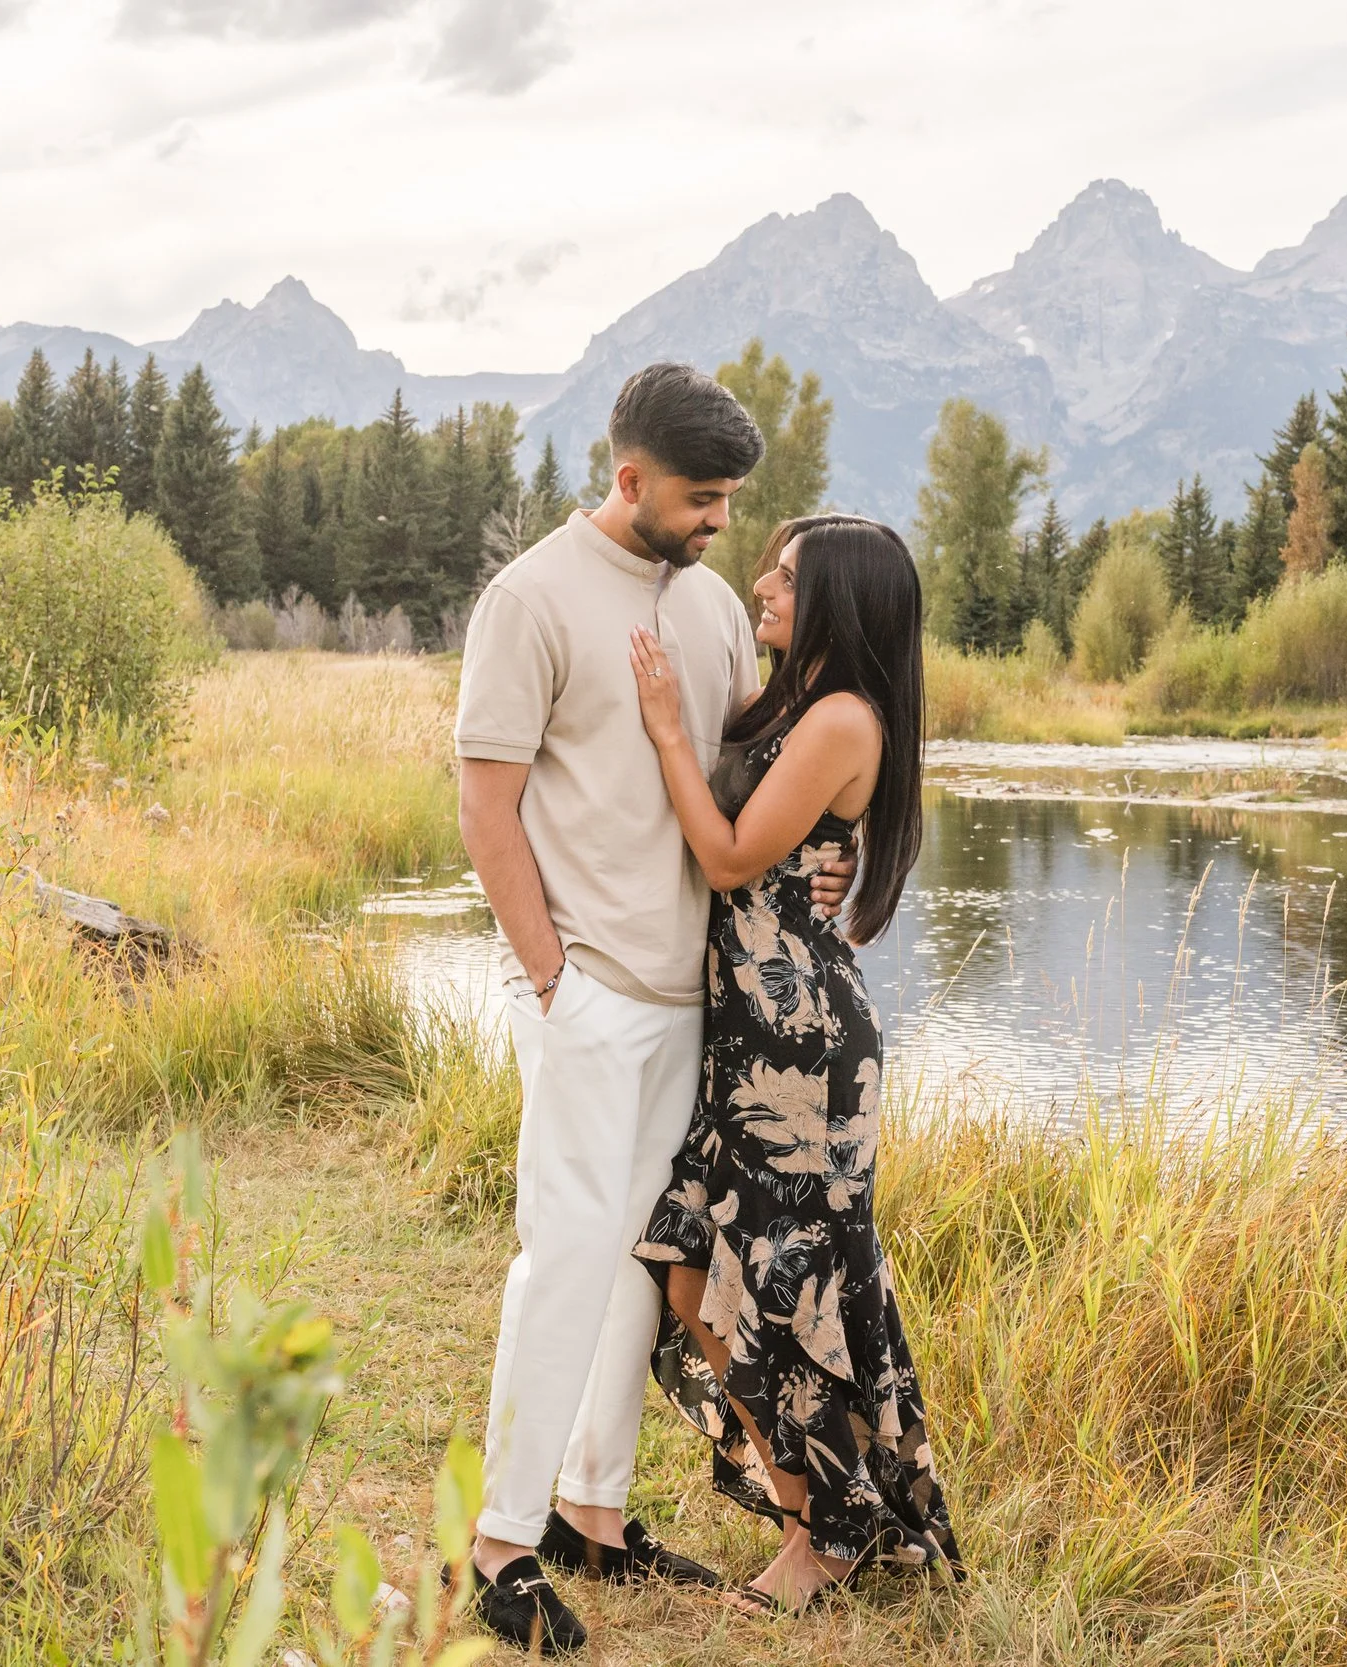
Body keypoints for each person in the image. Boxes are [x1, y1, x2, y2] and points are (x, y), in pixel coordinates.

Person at [453, 366, 853, 1654]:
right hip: (587, 994)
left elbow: (736, 777)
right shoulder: (529, 601)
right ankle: (501, 1547)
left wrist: (826, 854)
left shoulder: (709, 606)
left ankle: (591, 1509)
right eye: (700, 498)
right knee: (564, 1253)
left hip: (693, 1000)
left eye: (731, 500)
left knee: (639, 1259)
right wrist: (547, 977)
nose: (719, 522)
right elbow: (484, 803)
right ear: (628, 478)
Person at [627, 514, 960, 1613]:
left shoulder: (842, 717)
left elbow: (726, 855)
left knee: (786, 1285)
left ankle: (817, 1537)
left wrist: (670, 731)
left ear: (837, 603)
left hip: (804, 1054)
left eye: (785, 574)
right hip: (750, 1038)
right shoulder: (789, 707)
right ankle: (828, 1513)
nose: (762, 583)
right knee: (692, 1268)